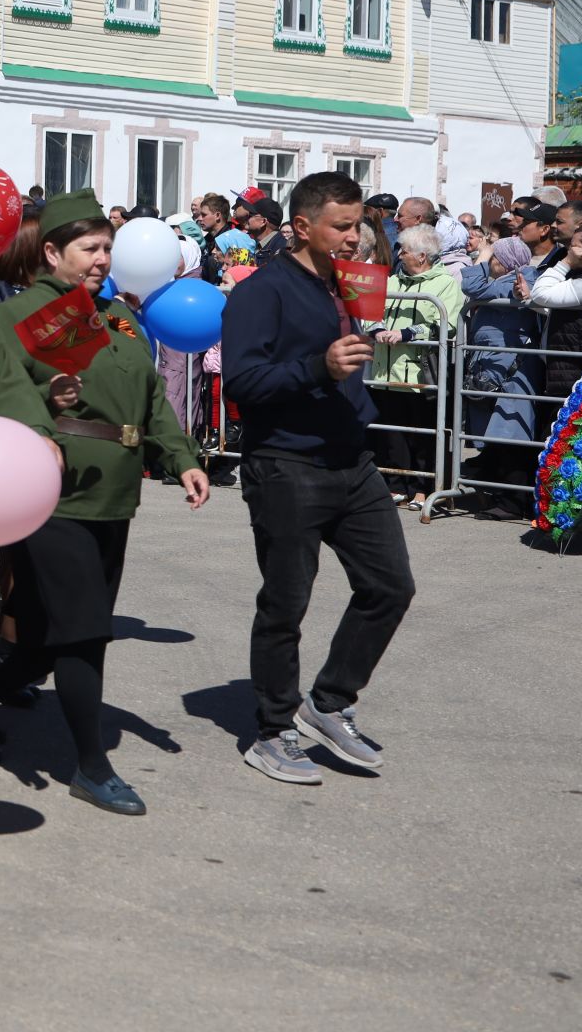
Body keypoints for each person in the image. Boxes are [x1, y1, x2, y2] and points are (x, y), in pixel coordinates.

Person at [0, 189, 207, 817]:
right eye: (89, 248)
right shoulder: (15, 316)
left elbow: (152, 397)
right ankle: (91, 767)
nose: (102, 258)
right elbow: (7, 386)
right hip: (54, 491)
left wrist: (182, 458)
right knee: (84, 634)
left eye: (108, 247)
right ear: (51, 252)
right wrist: (42, 435)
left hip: (114, 494)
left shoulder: (118, 319)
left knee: (48, 642)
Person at [222, 172, 414, 785]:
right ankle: (274, 730)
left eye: (358, 224)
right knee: (286, 603)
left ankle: (328, 702)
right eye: (342, 225)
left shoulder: (351, 284)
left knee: (390, 586)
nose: (355, 236)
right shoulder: (261, 292)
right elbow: (242, 384)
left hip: (351, 459)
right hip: (285, 463)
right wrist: (318, 366)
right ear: (302, 227)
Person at [365, 223, 464, 511]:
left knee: (422, 432)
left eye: (404, 250)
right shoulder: (392, 280)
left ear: (422, 256)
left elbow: (445, 324)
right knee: (391, 431)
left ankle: (423, 487)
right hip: (386, 369)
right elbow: (369, 312)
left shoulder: (445, 283)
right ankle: (396, 483)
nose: (399, 254)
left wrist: (405, 334)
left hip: (421, 373)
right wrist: (378, 330)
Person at [458, 237, 542, 508]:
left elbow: (471, 286)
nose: (488, 263)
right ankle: (498, 492)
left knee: (510, 431)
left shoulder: (518, 279)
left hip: (509, 367)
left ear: (504, 262)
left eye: (494, 259)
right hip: (495, 364)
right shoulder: (511, 280)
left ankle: (512, 500)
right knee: (500, 433)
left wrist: (481, 256)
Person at [522, 224, 582, 399]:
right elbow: (564, 310)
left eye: (573, 246)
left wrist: (565, 263)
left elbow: (542, 293)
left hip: (576, 373)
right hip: (568, 368)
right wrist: (529, 299)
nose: (568, 250)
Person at [245, 197, 287, 267]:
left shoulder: (281, 249)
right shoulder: (260, 245)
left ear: (263, 221)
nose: (247, 217)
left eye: (250, 215)